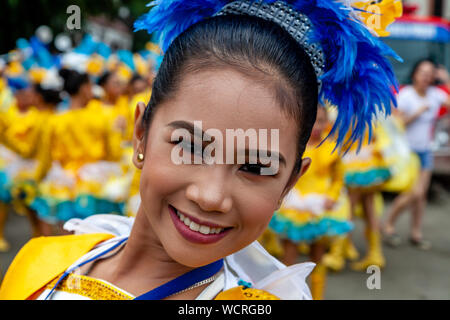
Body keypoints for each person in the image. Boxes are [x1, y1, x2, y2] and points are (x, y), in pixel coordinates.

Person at [0, 0, 402, 300]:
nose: (210, 196)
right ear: (141, 133)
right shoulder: (44, 262)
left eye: (257, 167)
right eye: (190, 146)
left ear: (289, 184)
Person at [269, 106, 353, 299]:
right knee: (288, 258)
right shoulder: (296, 146)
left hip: (320, 206)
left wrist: (331, 198)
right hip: (295, 205)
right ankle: (286, 295)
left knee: (318, 258)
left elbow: (338, 178)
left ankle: (317, 296)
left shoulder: (332, 148)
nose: (317, 126)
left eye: (321, 121)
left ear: (327, 123)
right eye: (314, 120)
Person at [383, 59, 450, 250]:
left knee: (421, 197)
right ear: (415, 74)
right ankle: (388, 224)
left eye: (430, 74)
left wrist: (446, 82)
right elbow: (397, 123)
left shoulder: (435, 94)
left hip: (425, 151)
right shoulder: (406, 95)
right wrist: (418, 113)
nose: (426, 77)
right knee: (415, 192)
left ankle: (416, 233)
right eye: (422, 72)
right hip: (407, 152)